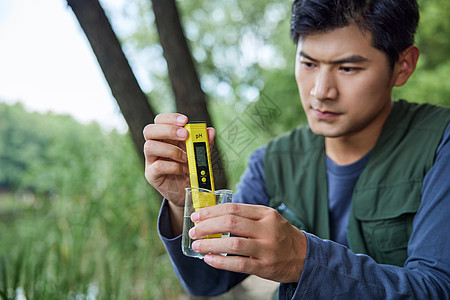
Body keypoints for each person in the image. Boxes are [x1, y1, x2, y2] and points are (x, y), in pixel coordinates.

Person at [143, 0, 450, 298]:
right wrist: (184, 206)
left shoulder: (439, 144)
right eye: (308, 63)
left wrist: (304, 260)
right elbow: (209, 280)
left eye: (347, 68)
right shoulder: (272, 162)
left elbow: (438, 288)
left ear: (403, 65)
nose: (320, 91)